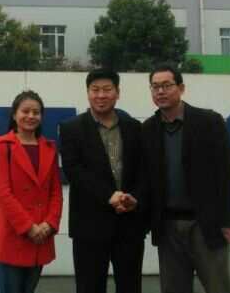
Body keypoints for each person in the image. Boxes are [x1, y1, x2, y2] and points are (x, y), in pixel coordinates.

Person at [141, 64, 230, 293]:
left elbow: (226, 175)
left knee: (219, 287)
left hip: (206, 223)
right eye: (155, 87)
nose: (160, 91)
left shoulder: (209, 122)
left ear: (181, 88)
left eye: (167, 85)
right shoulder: (148, 129)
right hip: (167, 227)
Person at [59, 68, 146, 293]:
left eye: (107, 89)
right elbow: (73, 170)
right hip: (89, 226)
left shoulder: (134, 127)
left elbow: (144, 171)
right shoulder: (71, 129)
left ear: (118, 93)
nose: (101, 95)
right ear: (88, 93)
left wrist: (134, 198)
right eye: (95, 90)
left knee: (130, 287)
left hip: (129, 224)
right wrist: (109, 195)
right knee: (89, 287)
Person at [0, 90, 63, 293]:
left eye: (36, 112)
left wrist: (49, 224)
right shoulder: (1, 146)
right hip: (14, 234)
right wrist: (29, 227)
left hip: (41, 235)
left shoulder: (49, 147)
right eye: (25, 111)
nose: (31, 116)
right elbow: (2, 193)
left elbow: (55, 192)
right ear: (14, 115)